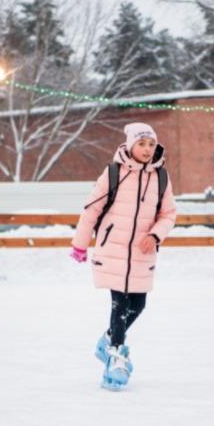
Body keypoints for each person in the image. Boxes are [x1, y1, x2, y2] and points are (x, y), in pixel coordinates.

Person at [70, 123, 177, 390]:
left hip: (142, 252)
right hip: (113, 249)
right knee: (118, 303)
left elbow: (169, 214)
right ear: (130, 145)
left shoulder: (161, 177)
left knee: (138, 304)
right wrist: (80, 244)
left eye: (151, 145)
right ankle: (116, 354)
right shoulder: (114, 172)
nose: (147, 149)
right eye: (142, 144)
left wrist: (155, 235)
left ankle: (106, 340)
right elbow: (92, 209)